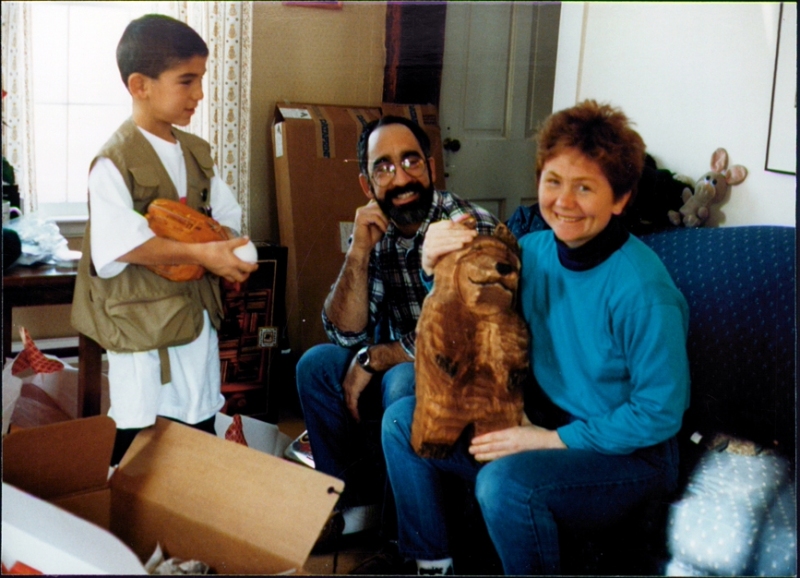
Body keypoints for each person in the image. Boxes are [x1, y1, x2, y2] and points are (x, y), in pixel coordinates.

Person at [380, 100, 691, 575]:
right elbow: (472, 310)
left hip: (632, 455)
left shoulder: (643, 289)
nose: (563, 202)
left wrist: (548, 440)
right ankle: (432, 564)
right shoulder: (534, 251)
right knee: (404, 421)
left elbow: (659, 412)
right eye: (553, 182)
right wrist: (431, 268)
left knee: (504, 484)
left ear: (621, 198)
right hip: (548, 419)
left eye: (585, 187)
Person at [296, 115, 499, 541]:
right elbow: (344, 334)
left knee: (402, 380)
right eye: (384, 168)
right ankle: (350, 507)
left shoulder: (464, 225)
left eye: (411, 162)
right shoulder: (376, 227)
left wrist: (376, 358)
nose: (402, 177)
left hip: (464, 375)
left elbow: (458, 331)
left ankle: (401, 530)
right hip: (403, 358)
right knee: (316, 365)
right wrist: (359, 252)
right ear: (367, 185)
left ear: (430, 167)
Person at [71, 14, 257, 467]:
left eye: (201, 80)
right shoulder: (114, 162)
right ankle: (129, 530)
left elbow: (228, 219)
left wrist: (225, 245)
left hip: (194, 323)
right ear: (140, 85)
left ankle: (180, 527)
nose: (199, 94)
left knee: (195, 423)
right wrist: (203, 254)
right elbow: (123, 244)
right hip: (142, 332)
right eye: (186, 81)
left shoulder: (196, 152)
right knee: (140, 435)